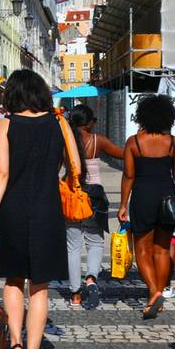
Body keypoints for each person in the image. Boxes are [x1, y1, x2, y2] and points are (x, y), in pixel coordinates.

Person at [0, 69, 76, 349]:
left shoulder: (5, 124)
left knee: (13, 278)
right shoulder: (59, 122)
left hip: (12, 210)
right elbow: (73, 165)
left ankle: (16, 345)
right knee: (40, 287)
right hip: (47, 210)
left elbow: (2, 173)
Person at [118, 94, 175, 320]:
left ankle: (153, 291)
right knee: (163, 250)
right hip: (167, 197)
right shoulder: (173, 142)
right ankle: (159, 291)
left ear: (142, 116)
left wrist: (122, 204)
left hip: (143, 196)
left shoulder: (134, 142)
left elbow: (129, 175)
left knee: (143, 250)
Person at [66, 104, 124, 309]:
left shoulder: (66, 141)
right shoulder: (98, 140)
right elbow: (123, 154)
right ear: (89, 123)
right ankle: (91, 279)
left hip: (73, 196)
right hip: (95, 198)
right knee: (95, 242)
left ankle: (75, 294)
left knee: (73, 246)